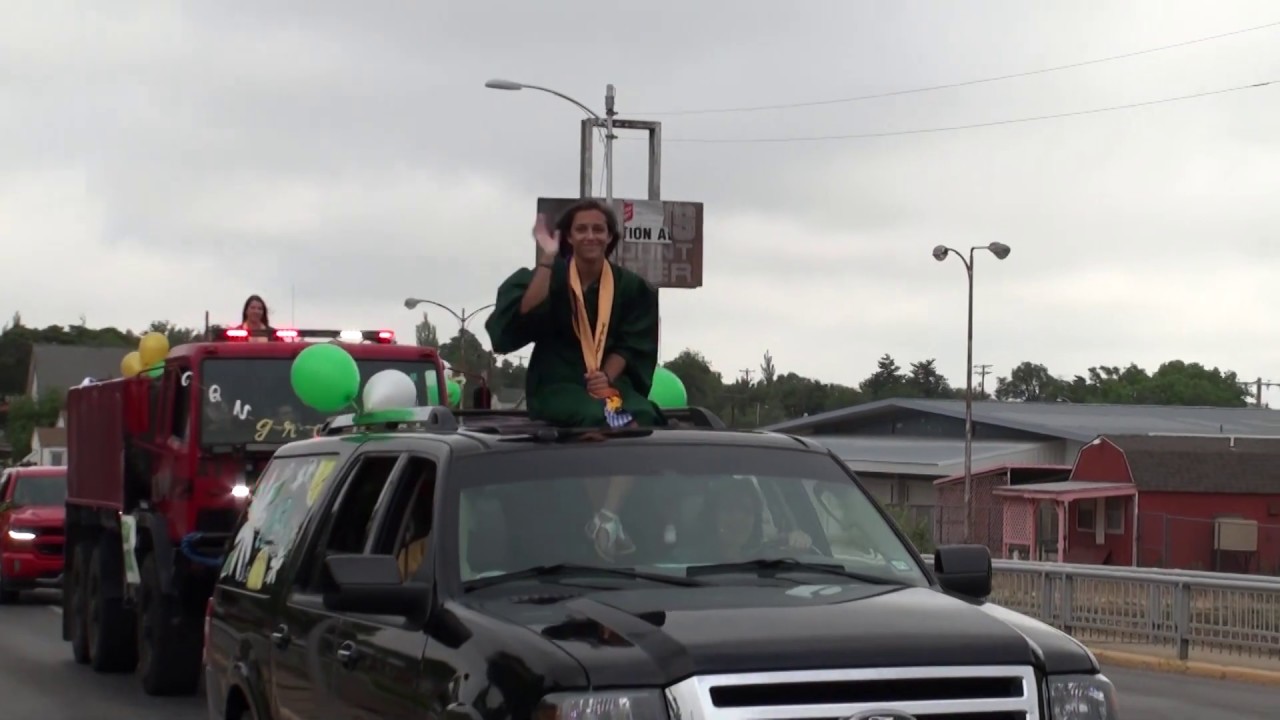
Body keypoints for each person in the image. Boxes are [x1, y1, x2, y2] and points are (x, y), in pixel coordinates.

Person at [485, 199, 662, 560]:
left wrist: (604, 377)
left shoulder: (630, 287)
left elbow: (632, 343)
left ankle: (606, 516)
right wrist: (548, 258)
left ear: (611, 236)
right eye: (581, 229)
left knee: (637, 416)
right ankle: (607, 518)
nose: (590, 236)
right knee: (595, 417)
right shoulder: (554, 277)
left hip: (605, 384)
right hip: (558, 380)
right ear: (568, 236)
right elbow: (524, 313)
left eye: (598, 229)